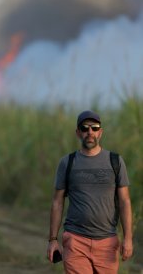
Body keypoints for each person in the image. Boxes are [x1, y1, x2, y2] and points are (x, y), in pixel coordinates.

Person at [47, 110, 133, 273]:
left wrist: (128, 238)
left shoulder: (115, 161)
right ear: (78, 132)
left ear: (100, 132)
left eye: (94, 128)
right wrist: (52, 239)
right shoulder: (68, 162)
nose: (90, 132)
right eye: (85, 128)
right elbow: (57, 202)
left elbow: (125, 201)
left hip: (107, 243)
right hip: (75, 241)